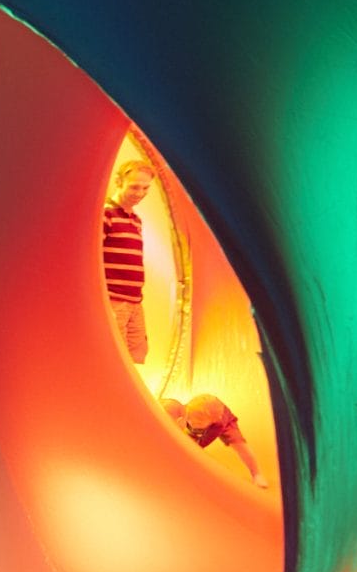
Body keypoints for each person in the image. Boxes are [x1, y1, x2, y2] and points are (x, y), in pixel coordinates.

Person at [100, 159, 155, 363]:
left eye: (145, 188)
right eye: (134, 187)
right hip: (114, 299)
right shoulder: (106, 214)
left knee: (137, 352)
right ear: (118, 182)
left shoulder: (136, 220)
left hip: (134, 300)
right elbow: (95, 256)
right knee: (116, 355)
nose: (140, 193)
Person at [165, 393, 268, 488]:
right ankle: (181, 470)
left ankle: (256, 474)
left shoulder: (218, 424)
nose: (193, 423)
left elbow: (202, 444)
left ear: (212, 421)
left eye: (199, 423)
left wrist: (195, 446)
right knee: (187, 443)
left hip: (226, 423)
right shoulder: (187, 411)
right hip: (199, 418)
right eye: (190, 419)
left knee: (240, 445)